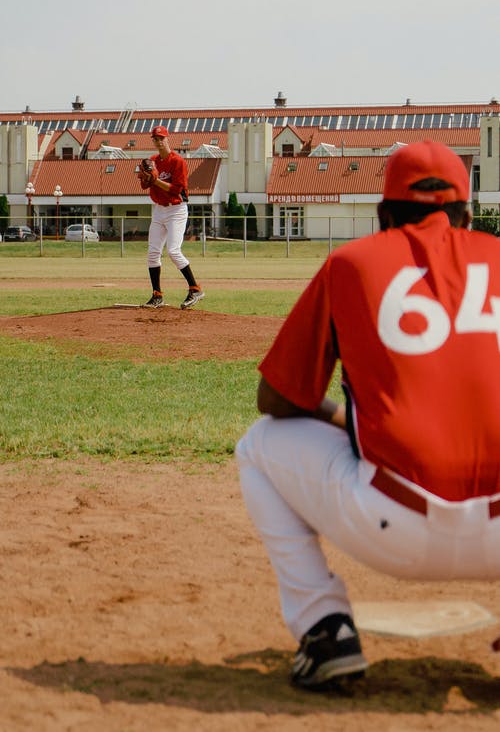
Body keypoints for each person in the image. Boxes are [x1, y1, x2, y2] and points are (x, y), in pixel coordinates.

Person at [236, 141, 500, 692]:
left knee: (259, 445)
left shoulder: (352, 261)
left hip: (394, 524)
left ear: (382, 216)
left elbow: (276, 399)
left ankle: (325, 630)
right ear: (468, 214)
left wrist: (344, 416)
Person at [138, 125, 204, 309]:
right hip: (159, 210)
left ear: (167, 139)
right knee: (152, 253)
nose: (158, 141)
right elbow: (145, 186)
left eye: (161, 138)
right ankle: (157, 295)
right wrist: (144, 176)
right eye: (155, 139)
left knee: (173, 251)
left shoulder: (178, 161)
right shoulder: (152, 160)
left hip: (176, 210)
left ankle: (195, 288)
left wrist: (156, 180)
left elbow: (177, 189)